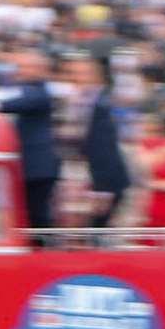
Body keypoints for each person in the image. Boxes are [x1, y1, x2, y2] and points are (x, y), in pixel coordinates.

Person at [0, 50, 60, 232]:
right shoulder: (22, 89)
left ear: (41, 69)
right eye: (20, 67)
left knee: (37, 217)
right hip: (27, 167)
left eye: (27, 67)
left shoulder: (40, 93)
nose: (21, 71)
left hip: (37, 168)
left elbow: (14, 103)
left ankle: (42, 248)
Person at [66, 55, 130, 228]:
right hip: (73, 179)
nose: (75, 78)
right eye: (71, 73)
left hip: (103, 180)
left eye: (82, 73)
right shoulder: (68, 101)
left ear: (97, 77)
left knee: (97, 228)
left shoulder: (107, 102)